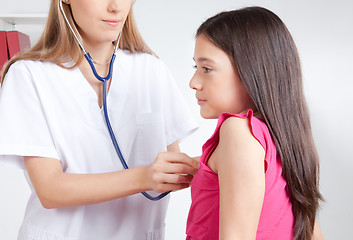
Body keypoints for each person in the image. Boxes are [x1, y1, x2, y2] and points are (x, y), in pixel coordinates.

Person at [0, 0, 198, 239]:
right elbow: (50, 190)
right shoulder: (28, 75)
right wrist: (144, 177)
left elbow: (170, 171)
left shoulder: (151, 70)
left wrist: (217, 160)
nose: (116, 7)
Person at [185, 7, 324, 240]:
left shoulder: (238, 131)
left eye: (207, 69)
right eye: (195, 68)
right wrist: (198, 166)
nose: (193, 82)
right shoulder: (281, 139)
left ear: (251, 71)